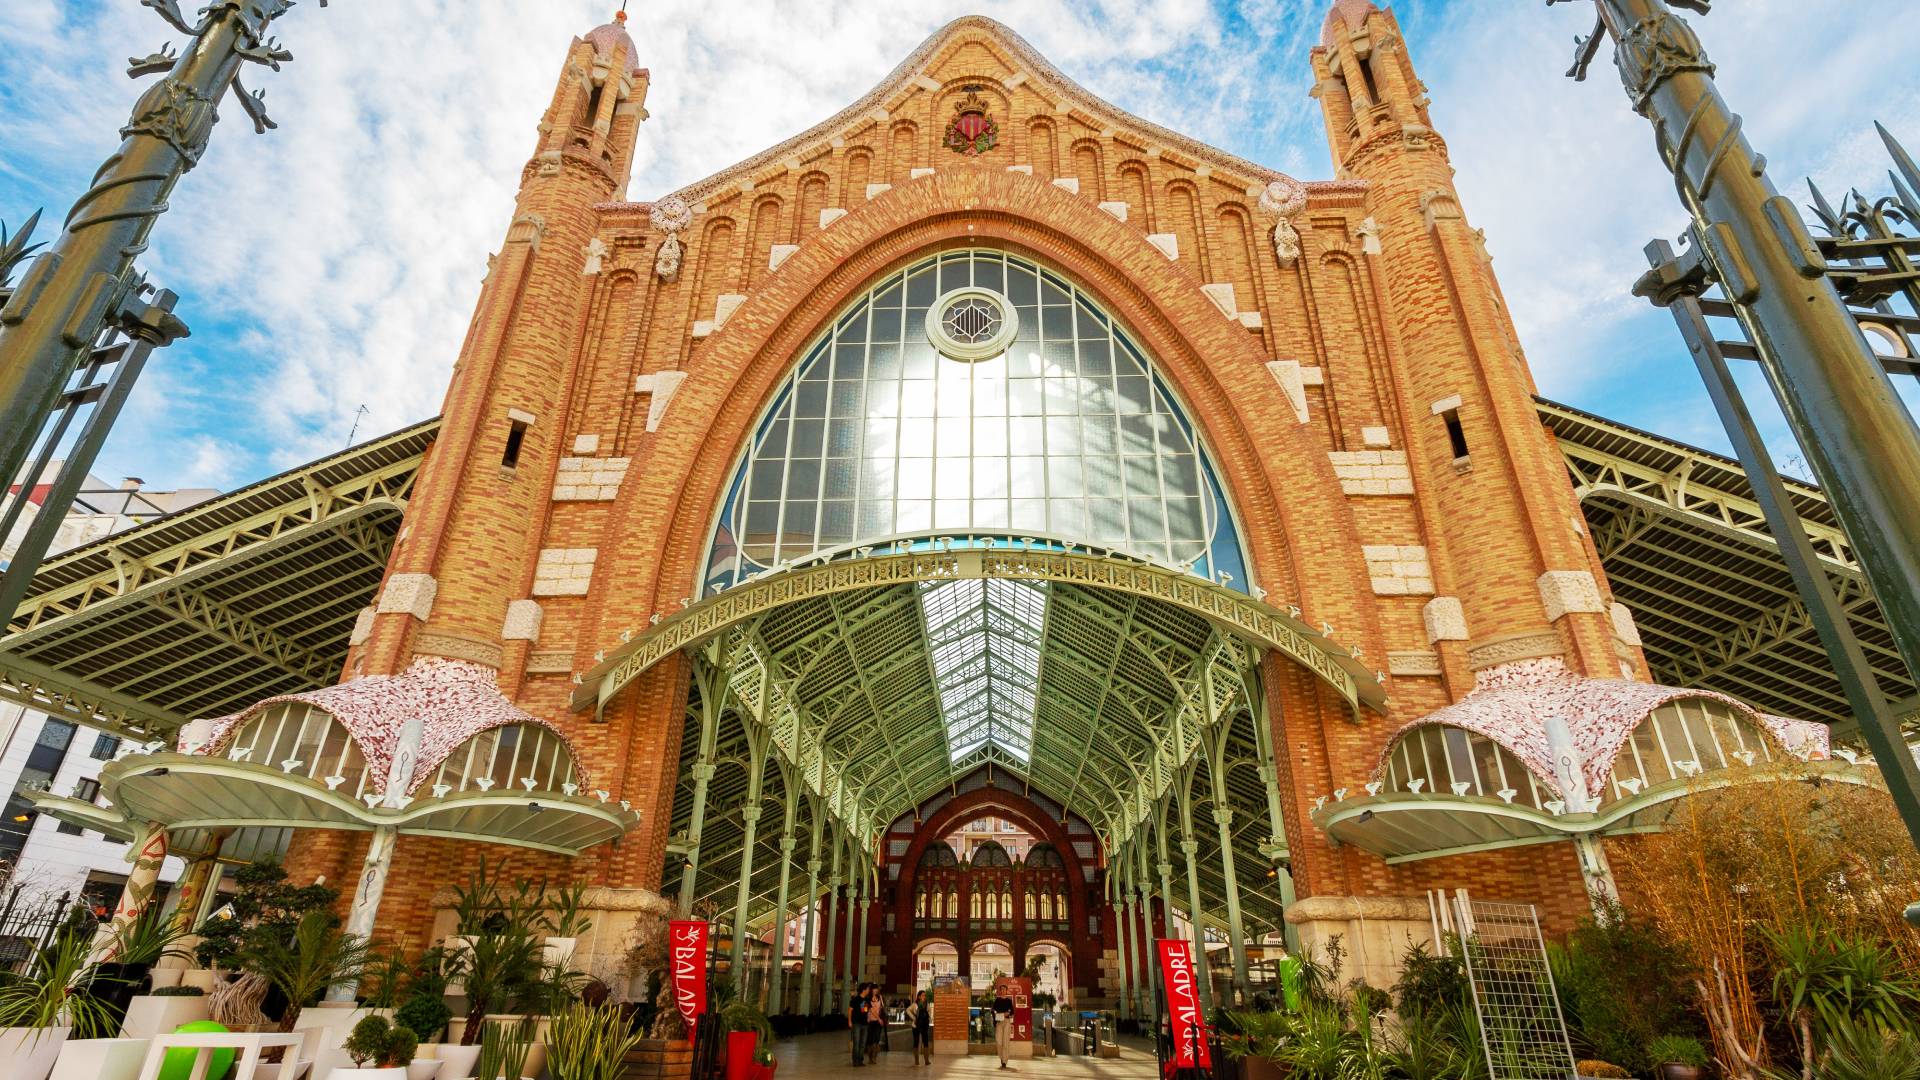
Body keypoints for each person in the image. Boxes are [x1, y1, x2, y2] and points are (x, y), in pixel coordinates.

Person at [992, 988, 1015, 1068]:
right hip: (999, 1021)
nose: (1003, 991)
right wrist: (996, 1013)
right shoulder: (997, 1000)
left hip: (1007, 1022)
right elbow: (993, 1009)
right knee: (999, 1041)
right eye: (1001, 990)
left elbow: (1012, 1011)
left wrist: (1008, 1013)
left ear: (1006, 991)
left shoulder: (1009, 1001)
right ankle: (1001, 1057)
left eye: (1004, 990)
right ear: (1000, 991)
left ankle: (1004, 1060)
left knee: (1005, 1041)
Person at [911, 989, 934, 1066]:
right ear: (919, 996)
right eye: (923, 995)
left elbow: (930, 1011)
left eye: (925, 995)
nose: (924, 996)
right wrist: (914, 1018)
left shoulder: (926, 1004)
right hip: (916, 1025)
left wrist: (930, 1017)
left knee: (926, 1042)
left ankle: (926, 1060)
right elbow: (908, 1010)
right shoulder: (915, 1004)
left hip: (924, 1025)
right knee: (916, 1042)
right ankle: (916, 1061)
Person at [866, 984, 887, 1063]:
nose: (875, 990)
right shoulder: (868, 998)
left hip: (879, 1022)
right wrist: (878, 1018)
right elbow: (870, 1010)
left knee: (876, 1040)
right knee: (870, 1040)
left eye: (876, 989)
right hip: (870, 1021)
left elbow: (882, 1008)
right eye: (874, 989)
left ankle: (874, 1057)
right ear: (871, 989)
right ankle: (870, 1058)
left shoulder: (880, 997)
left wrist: (880, 1017)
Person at [850, 982, 869, 1066]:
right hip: (856, 1023)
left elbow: (865, 1011)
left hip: (864, 1024)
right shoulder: (855, 999)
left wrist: (868, 1018)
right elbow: (850, 1010)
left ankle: (860, 1060)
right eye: (867, 989)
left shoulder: (866, 1000)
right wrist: (849, 1021)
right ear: (863, 990)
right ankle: (855, 1061)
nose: (869, 990)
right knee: (856, 1042)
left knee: (863, 1043)